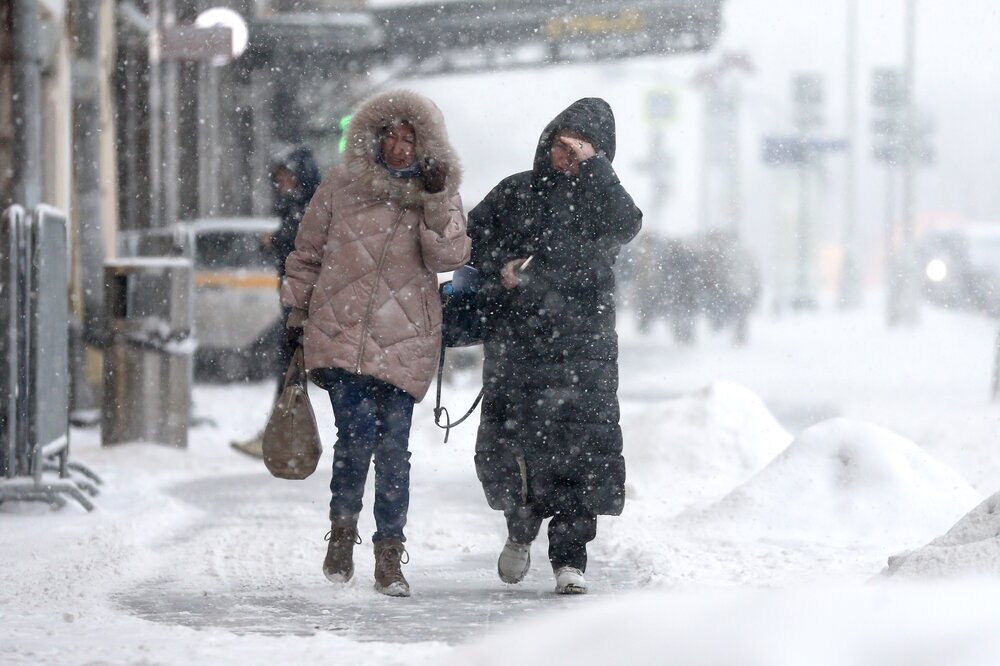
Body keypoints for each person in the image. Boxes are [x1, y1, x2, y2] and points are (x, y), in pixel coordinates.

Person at [281, 90, 470, 597]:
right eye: (393, 135)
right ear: (377, 135)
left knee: (393, 451)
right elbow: (307, 251)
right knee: (358, 433)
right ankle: (343, 530)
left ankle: (389, 555)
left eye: (412, 138)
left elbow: (449, 254)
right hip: (339, 328)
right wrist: (296, 311)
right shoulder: (343, 183)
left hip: (405, 337)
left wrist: (433, 201)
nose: (401, 147)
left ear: (425, 144)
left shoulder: (439, 193)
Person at [467, 98, 642, 594]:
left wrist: (597, 170)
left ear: (599, 155)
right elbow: (471, 241)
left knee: (580, 454)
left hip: (583, 350)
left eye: (579, 150)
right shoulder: (516, 191)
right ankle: (519, 533)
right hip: (520, 344)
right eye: (561, 145)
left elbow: (628, 223)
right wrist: (502, 267)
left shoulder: (601, 202)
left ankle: (571, 559)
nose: (566, 157)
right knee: (518, 449)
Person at [231, 146, 321, 458]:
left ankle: (283, 438)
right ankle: (284, 437)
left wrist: (276, 240)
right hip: (296, 305)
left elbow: (303, 251)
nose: (281, 182)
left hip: (302, 307)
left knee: (292, 372)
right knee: (291, 373)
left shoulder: (306, 210)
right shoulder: (299, 208)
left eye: (286, 176)